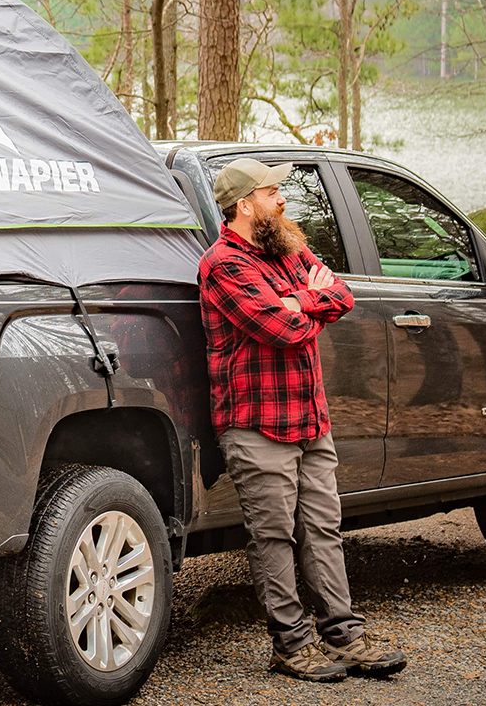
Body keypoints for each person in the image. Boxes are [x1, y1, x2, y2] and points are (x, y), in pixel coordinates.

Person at [198, 158, 407, 682]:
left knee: (324, 529)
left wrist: (300, 299)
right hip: (258, 425)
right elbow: (282, 329)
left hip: (311, 419)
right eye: (273, 192)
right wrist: (300, 303)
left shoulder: (287, 249)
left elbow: (342, 296)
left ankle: (345, 638)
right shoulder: (223, 264)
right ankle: (291, 647)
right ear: (245, 204)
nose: (283, 199)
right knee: (273, 537)